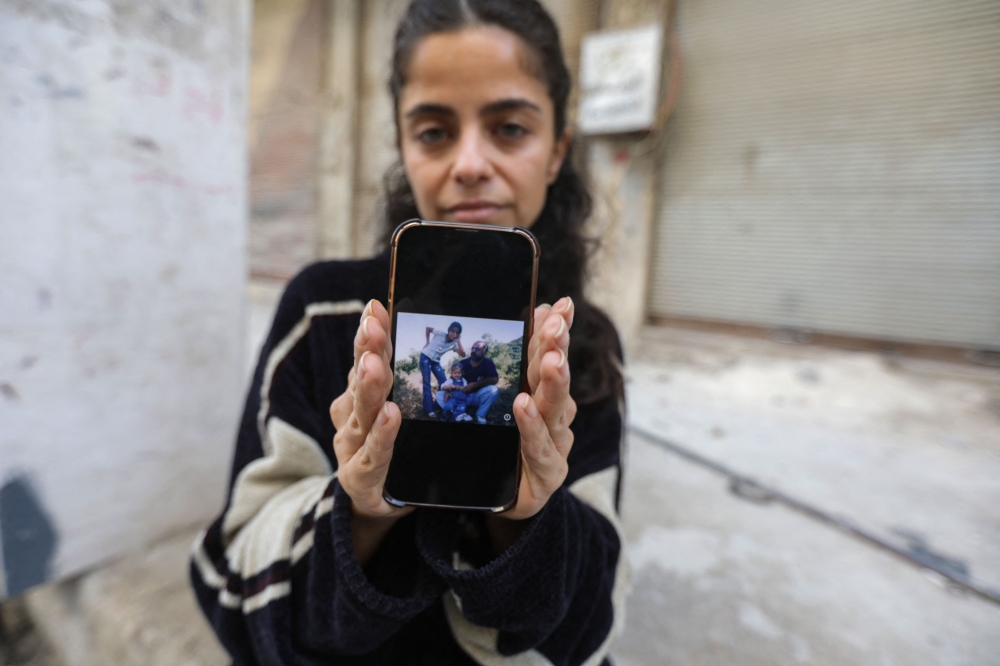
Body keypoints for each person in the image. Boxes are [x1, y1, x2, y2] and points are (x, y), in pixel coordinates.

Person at [190, 1, 629, 664]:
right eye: (433, 132)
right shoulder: (324, 313)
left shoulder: (581, 346)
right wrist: (360, 508)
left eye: (509, 128)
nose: (470, 163)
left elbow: (593, 621)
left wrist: (526, 520)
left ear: (558, 150)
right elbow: (232, 581)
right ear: (401, 144)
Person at [436, 340, 500, 424]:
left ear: (485, 352)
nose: (473, 350)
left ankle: (480, 415)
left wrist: (475, 385)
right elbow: (452, 378)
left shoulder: (488, 363)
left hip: (476, 396)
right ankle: (455, 413)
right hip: (458, 396)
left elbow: (495, 379)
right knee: (439, 394)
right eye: (472, 348)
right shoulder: (463, 363)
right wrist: (448, 391)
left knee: (494, 390)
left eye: (477, 349)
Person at [420, 322, 465, 418]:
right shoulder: (440, 333)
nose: (454, 334)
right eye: (453, 331)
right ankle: (429, 410)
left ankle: (437, 405)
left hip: (435, 362)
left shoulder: (454, 344)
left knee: (444, 383)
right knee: (427, 383)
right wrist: (427, 342)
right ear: (449, 331)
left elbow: (463, 354)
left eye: (457, 333)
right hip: (425, 357)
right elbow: (428, 327)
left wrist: (459, 342)